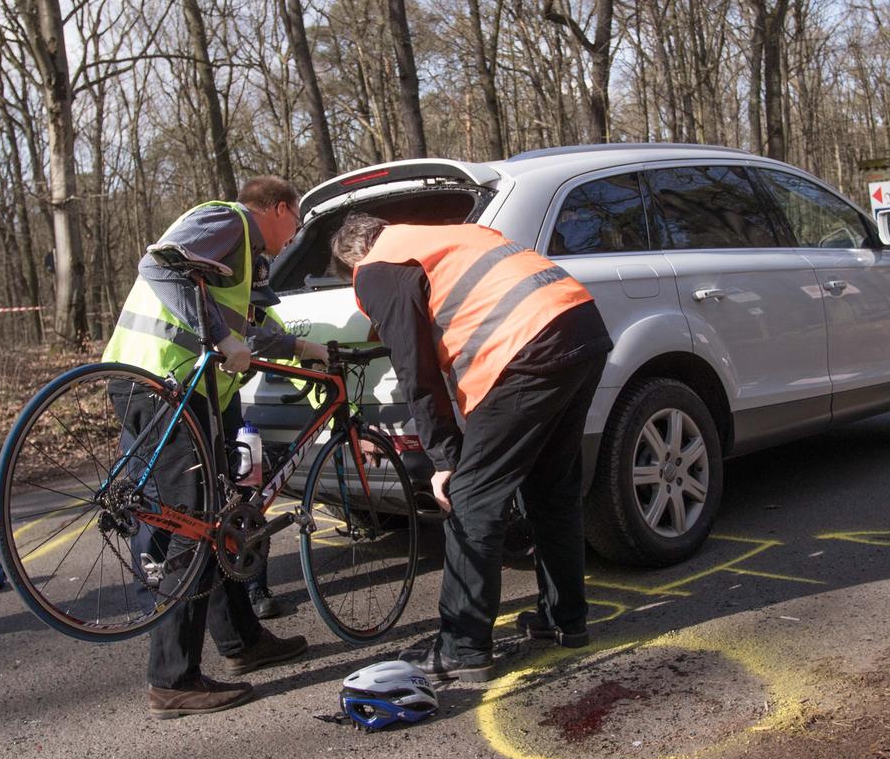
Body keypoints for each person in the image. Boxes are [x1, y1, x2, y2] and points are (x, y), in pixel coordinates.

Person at [329, 212, 612, 683]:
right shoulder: (445, 234)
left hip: (526, 348)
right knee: (552, 485)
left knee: (473, 497)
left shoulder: (378, 267)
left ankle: (463, 646)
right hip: (580, 326)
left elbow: (416, 373)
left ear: (352, 258)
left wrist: (445, 462)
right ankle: (565, 620)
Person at [102, 176, 330, 716]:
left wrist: (302, 347)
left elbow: (248, 328)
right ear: (277, 209)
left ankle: (241, 643)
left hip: (198, 393)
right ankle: (172, 679)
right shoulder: (227, 219)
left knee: (223, 518)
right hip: (163, 383)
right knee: (194, 525)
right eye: (295, 223)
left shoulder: (243, 258)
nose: (295, 236)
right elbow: (158, 267)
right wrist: (219, 337)